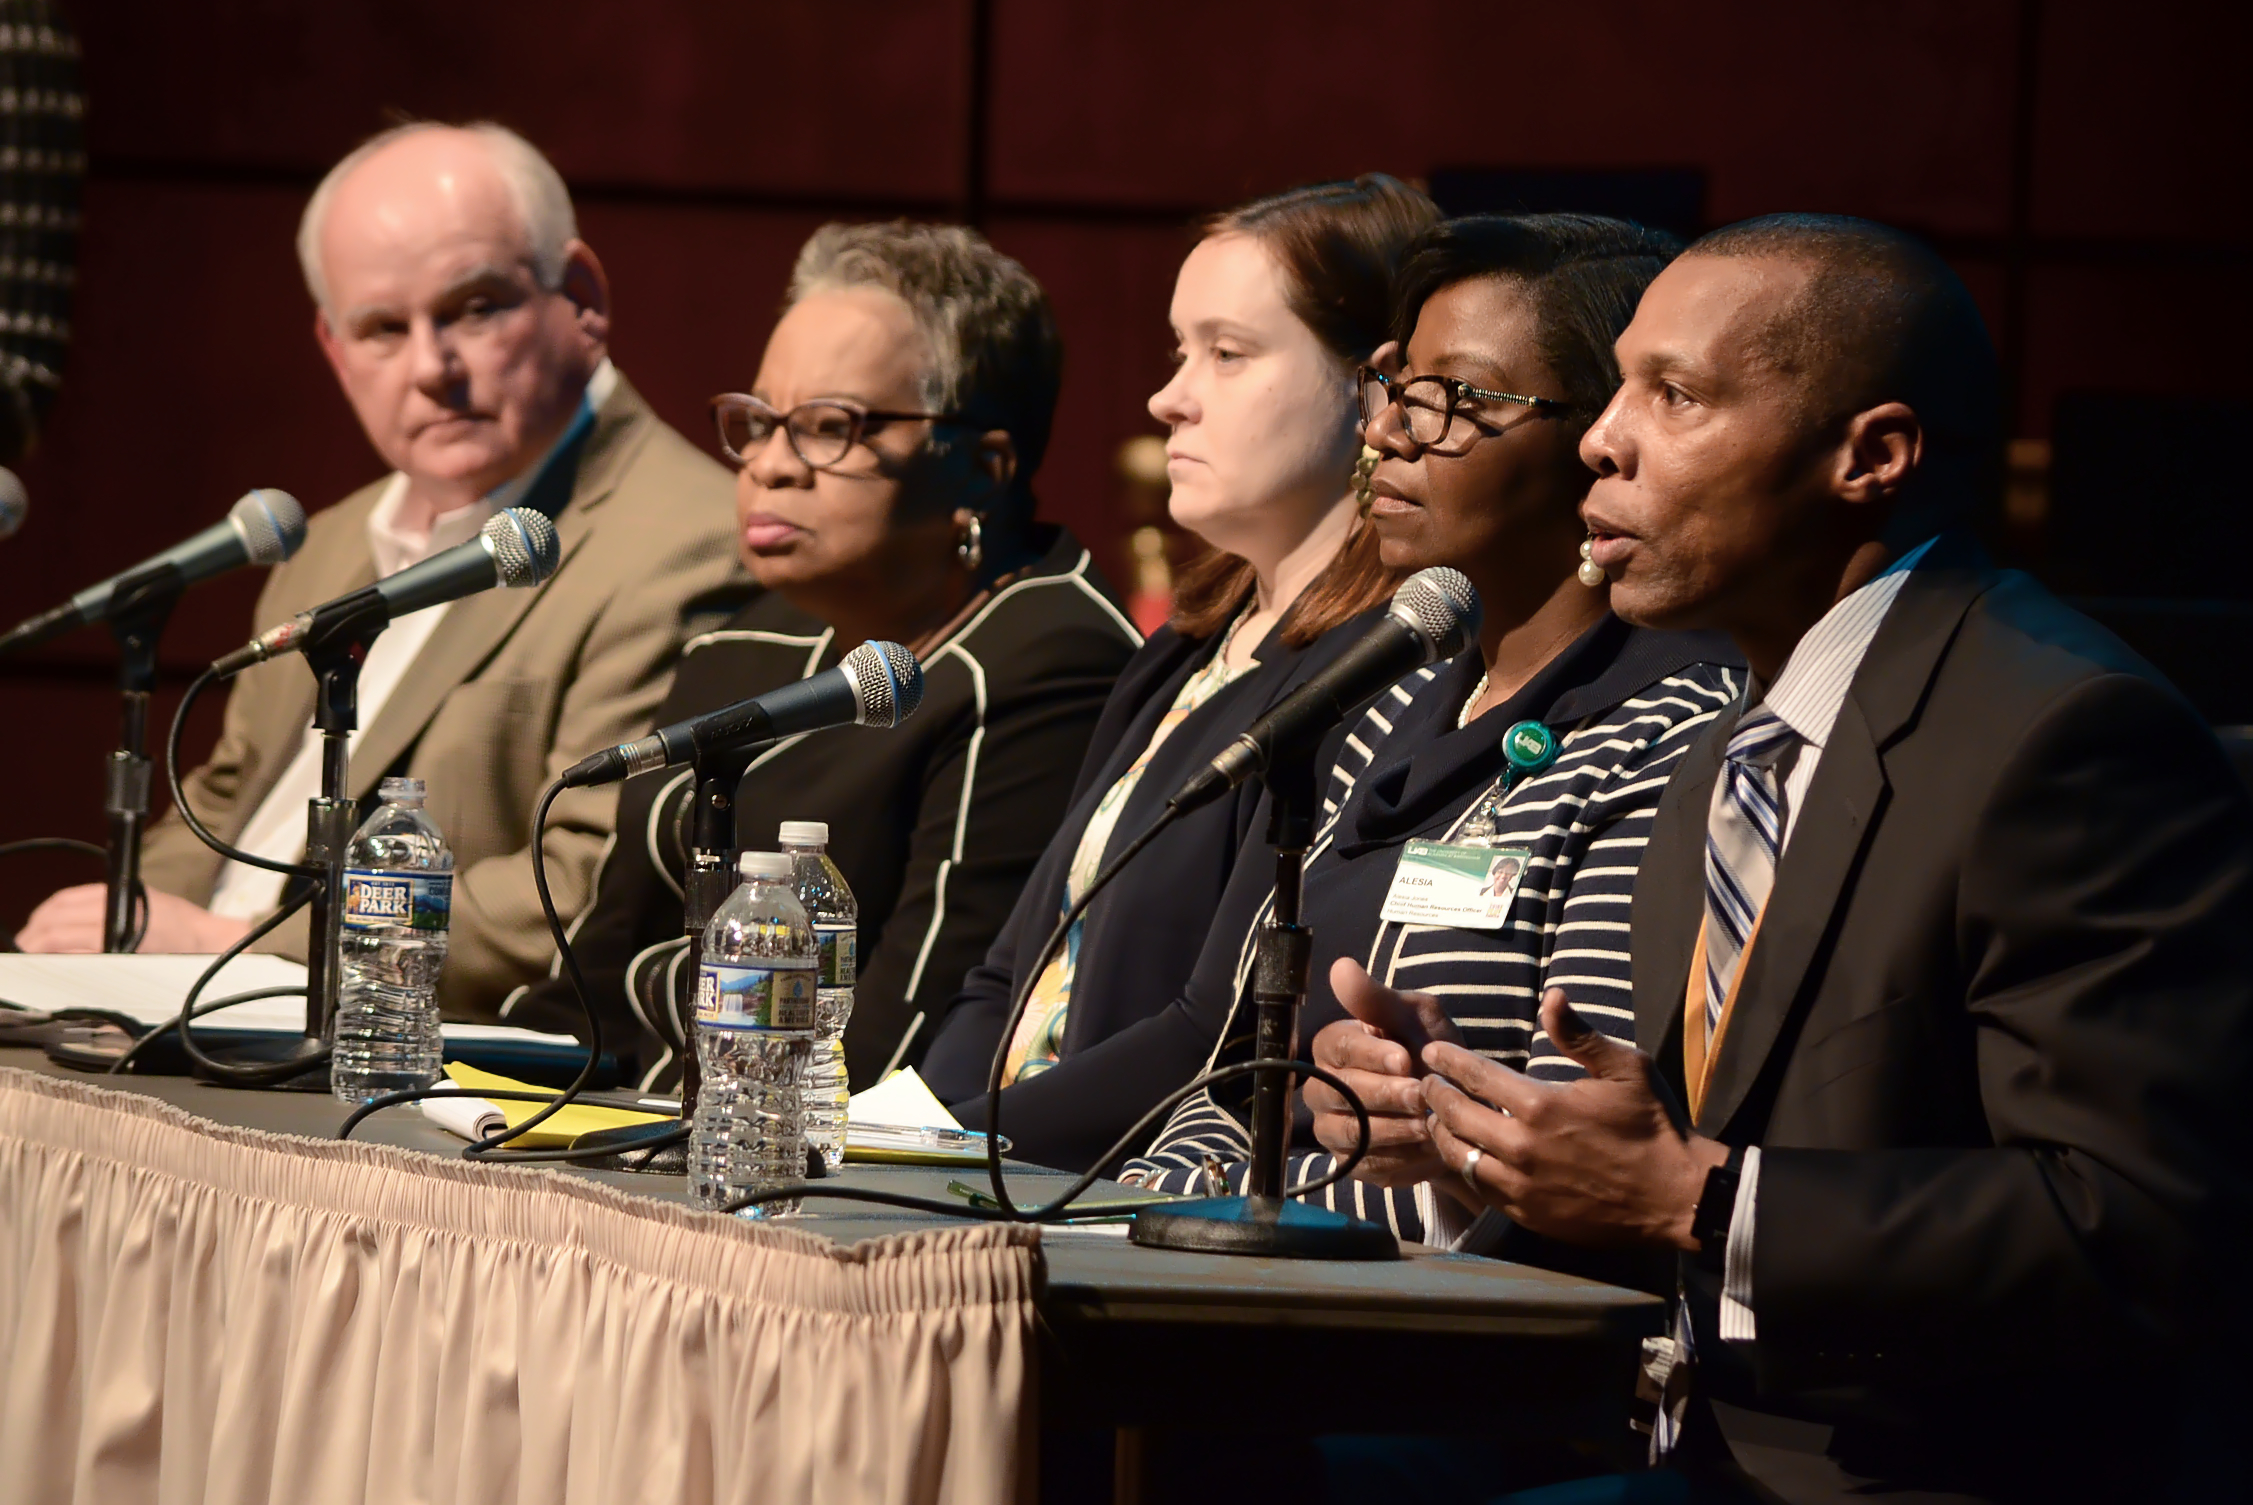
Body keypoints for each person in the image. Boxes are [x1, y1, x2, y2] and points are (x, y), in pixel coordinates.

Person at [1312, 215, 2253, 1500]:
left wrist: (1705, 1201)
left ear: (1870, 455)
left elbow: (2144, 1233)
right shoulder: (1728, 746)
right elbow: (1646, 1173)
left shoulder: (2066, 736)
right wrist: (1470, 1132)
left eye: (1676, 395)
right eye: (1619, 386)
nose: (1602, 435)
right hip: (1682, 1444)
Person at [16, 122, 744, 1019]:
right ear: (332, 348)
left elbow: (576, 885)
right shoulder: (326, 540)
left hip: (403, 1048)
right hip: (201, 1012)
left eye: (475, 309)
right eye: (382, 330)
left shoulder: (684, 544)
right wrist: (120, 927)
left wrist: (236, 949)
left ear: (581, 297)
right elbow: (233, 792)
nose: (432, 367)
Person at [1118, 216, 1739, 1234]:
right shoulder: (1385, 710)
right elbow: (1232, 1076)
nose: (1388, 433)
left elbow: (1574, 1165)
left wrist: (1260, 1206)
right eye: (1397, 387)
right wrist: (1154, 1206)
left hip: (1456, 1345)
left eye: (1455, 399)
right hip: (1239, 1291)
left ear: (1596, 439)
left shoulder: (1666, 735)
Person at [512, 222, 1140, 1090]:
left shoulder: (1050, 667)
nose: (769, 465)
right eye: (761, 423)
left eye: (828, 427)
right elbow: (586, 988)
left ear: (982, 469)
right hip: (632, 1125)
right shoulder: (744, 643)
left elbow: (902, 1052)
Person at [915, 175, 1439, 1155]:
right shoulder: (1179, 651)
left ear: (1373, 388)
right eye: (1177, 351)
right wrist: (900, 1136)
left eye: (1227, 355)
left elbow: (1216, 1030)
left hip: (1121, 1200)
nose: (1168, 397)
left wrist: (952, 1147)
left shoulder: (1377, 673)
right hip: (999, 1172)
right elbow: (1011, 971)